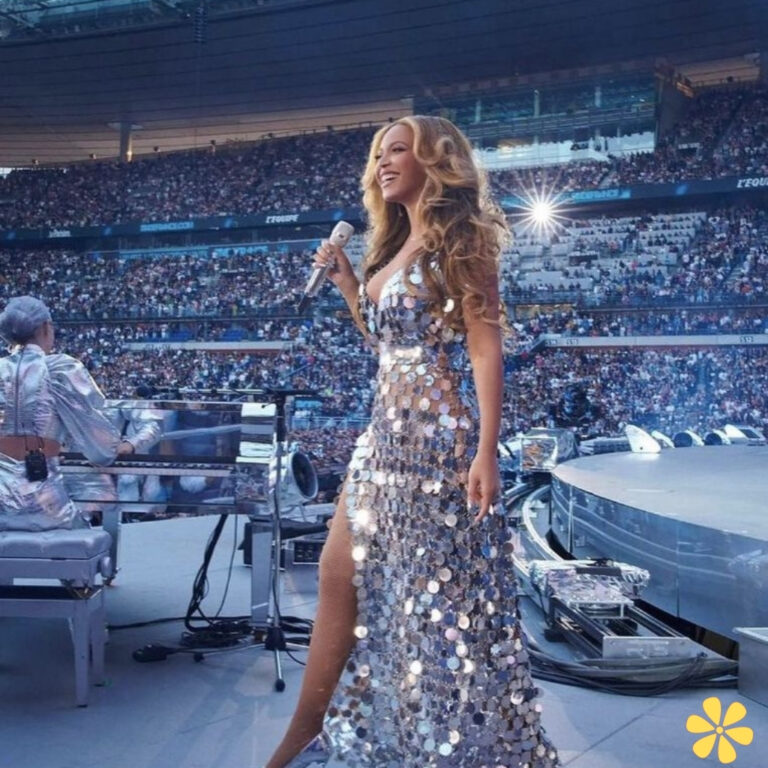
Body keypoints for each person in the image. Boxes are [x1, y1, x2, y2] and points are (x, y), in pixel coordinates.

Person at [265, 116, 558, 768]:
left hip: (437, 448)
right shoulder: (394, 244)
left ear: (435, 160)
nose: (382, 164)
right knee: (336, 573)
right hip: (381, 442)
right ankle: (306, 730)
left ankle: (435, 746)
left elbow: (484, 348)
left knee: (429, 607)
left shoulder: (463, 240)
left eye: (396, 150)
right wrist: (348, 286)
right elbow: (390, 343)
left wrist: (485, 451)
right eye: (378, 155)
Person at [0, 296, 128, 532]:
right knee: (83, 524)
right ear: (45, 328)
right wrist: (123, 445)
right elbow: (102, 445)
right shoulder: (62, 369)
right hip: (46, 505)